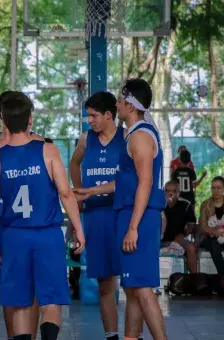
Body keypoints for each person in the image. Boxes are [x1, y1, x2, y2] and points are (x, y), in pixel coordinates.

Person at [0, 91, 85, 340]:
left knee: (19, 301)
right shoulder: (48, 151)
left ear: (4, 122)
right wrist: (79, 229)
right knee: (50, 300)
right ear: (30, 120)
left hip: (14, 236)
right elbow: (66, 194)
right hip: (47, 235)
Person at [74, 78, 167, 340]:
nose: (117, 105)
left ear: (130, 105)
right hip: (130, 212)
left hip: (138, 215)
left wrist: (134, 227)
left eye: (121, 101)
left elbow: (145, 183)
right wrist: (90, 191)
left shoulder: (138, 136)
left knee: (142, 289)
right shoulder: (138, 132)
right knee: (134, 286)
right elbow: (128, 182)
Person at [0, 90, 43, 340]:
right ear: (1, 114)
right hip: (0, 223)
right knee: (9, 287)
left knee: (32, 286)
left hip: (28, 224)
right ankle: (13, 336)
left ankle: (30, 336)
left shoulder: (38, 143)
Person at [69, 91, 124, 340]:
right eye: (87, 116)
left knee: (133, 284)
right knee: (105, 283)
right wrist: (80, 194)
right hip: (95, 216)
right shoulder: (85, 139)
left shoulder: (127, 139)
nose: (89, 120)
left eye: (93, 116)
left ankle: (135, 334)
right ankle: (111, 335)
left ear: (109, 115)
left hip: (120, 214)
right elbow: (73, 164)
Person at [161, 180, 198, 273]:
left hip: (179, 239)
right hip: (159, 239)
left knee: (191, 247)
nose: (170, 193)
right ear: (163, 191)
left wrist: (184, 234)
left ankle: (194, 279)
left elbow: (192, 224)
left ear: (178, 192)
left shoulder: (186, 204)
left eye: (173, 191)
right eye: (167, 191)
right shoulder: (158, 204)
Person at [199, 176, 224, 274]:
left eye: (219, 188)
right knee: (214, 244)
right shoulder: (205, 204)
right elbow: (203, 227)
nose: (216, 191)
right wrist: (216, 232)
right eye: (213, 187)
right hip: (208, 238)